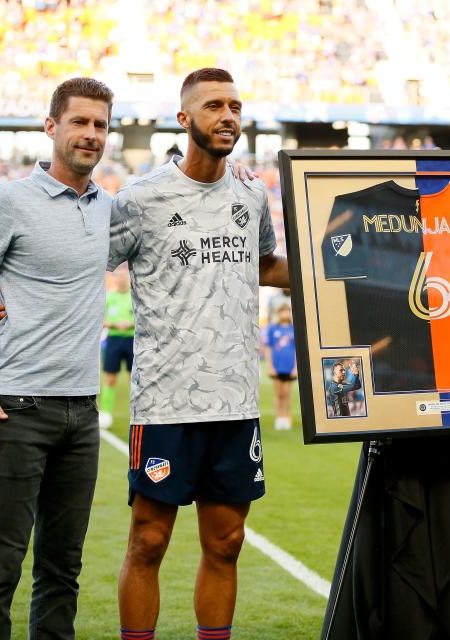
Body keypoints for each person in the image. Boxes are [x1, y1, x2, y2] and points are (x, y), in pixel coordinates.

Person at [107, 68, 289, 640]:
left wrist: (341, 277)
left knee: (227, 543)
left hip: (235, 398)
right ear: (184, 119)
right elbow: (81, 264)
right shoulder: (140, 198)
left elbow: (263, 265)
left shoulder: (251, 193)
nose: (228, 116)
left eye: (235, 106)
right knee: (149, 540)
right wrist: (5, 293)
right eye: (214, 106)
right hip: (164, 401)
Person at [0, 77, 113, 639]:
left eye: (100, 125)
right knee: (0, 565)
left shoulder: (111, 209)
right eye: (79, 122)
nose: (90, 134)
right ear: (51, 127)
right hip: (15, 410)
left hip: (82, 415)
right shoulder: (9, 200)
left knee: (63, 570)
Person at [99, 267, 134, 429]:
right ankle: (105, 413)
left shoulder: (134, 296)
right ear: (115, 279)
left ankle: (137, 411)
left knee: (134, 379)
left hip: (132, 340)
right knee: (110, 378)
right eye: (118, 277)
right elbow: (100, 320)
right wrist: (114, 324)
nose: (122, 280)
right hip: (114, 339)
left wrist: (130, 324)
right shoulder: (109, 297)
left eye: (124, 277)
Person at [264, 303, 296, 430]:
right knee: (279, 393)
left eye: (287, 311)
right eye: (283, 311)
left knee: (287, 393)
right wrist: (270, 366)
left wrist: (295, 368)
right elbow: (268, 348)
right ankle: (278, 418)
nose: (285, 314)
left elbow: (297, 350)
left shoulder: (294, 328)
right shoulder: (273, 328)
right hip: (277, 366)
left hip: (289, 367)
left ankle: (287, 417)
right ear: (279, 313)